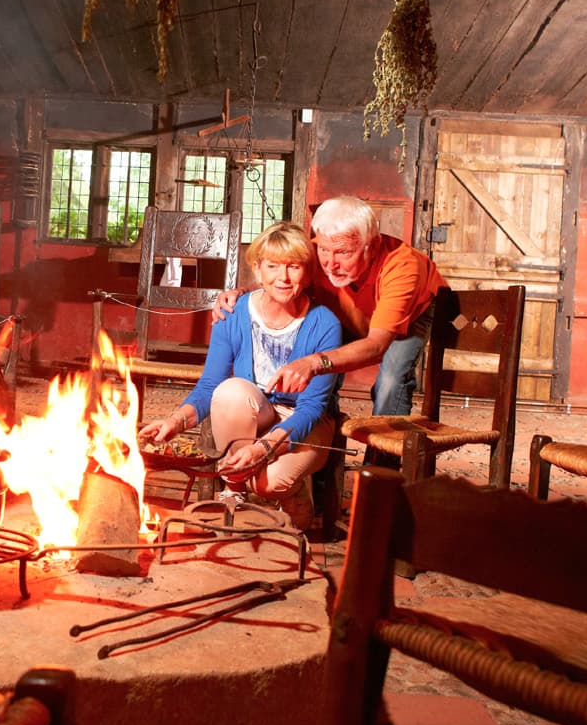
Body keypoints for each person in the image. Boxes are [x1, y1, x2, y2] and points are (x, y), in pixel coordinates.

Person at [137, 222, 342, 530]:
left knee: (268, 483)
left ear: (308, 272)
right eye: (272, 266)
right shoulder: (232, 313)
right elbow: (210, 385)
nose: (283, 278)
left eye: (294, 267)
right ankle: (234, 490)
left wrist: (263, 448)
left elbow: (312, 409)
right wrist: (175, 421)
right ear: (258, 270)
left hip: (306, 420)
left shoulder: (324, 323)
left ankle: (296, 497)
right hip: (255, 410)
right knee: (230, 391)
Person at [213, 196, 446, 417]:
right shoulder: (318, 250)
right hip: (349, 306)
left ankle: (384, 459)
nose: (330, 264)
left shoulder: (403, 267)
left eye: (343, 252)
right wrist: (241, 293)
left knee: (390, 382)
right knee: (320, 374)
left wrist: (314, 362)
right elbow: (282, 277)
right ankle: (324, 440)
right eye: (324, 250)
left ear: (372, 247)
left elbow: (376, 345)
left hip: (406, 318)